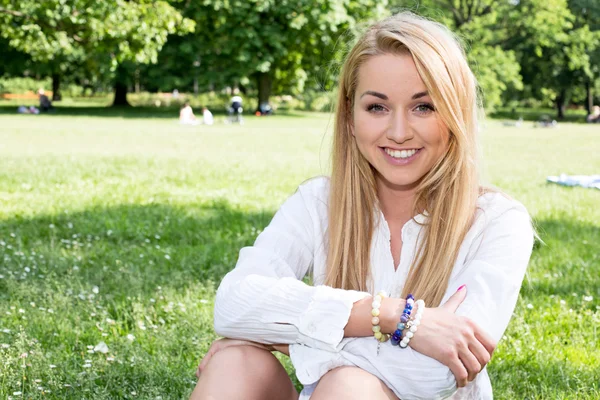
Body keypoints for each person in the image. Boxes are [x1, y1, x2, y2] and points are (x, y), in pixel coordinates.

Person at [191, 11, 534, 400]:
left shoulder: (497, 222)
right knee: (235, 364)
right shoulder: (319, 202)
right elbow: (235, 302)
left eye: (423, 107)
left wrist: (287, 339)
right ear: (351, 118)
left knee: (346, 385)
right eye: (377, 107)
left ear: (454, 115)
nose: (400, 131)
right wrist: (395, 317)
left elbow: (437, 371)